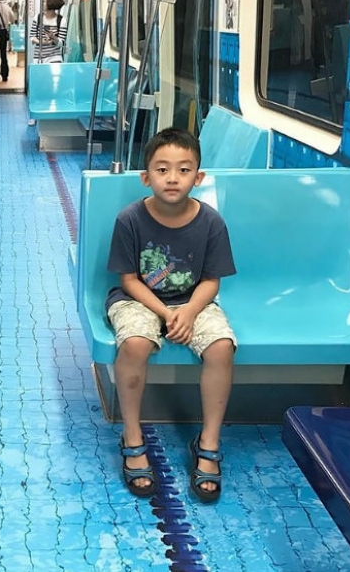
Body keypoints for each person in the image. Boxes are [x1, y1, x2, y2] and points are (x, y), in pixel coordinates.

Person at [105, 128, 236, 503]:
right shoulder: (129, 220)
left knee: (222, 347)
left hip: (194, 300)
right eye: (162, 170)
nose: (173, 178)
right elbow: (129, 280)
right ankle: (132, 433)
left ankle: (208, 441)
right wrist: (166, 313)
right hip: (141, 300)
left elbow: (211, 282)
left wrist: (190, 311)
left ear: (199, 177)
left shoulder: (211, 223)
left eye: (183, 169)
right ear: (146, 177)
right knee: (134, 343)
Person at [30, 0, 68, 64]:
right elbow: (32, 37)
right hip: (38, 57)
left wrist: (53, 37)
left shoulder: (62, 21)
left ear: (50, 2)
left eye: (44, 1)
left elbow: (62, 43)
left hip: (54, 58)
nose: (42, 4)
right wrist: (42, 42)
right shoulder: (37, 18)